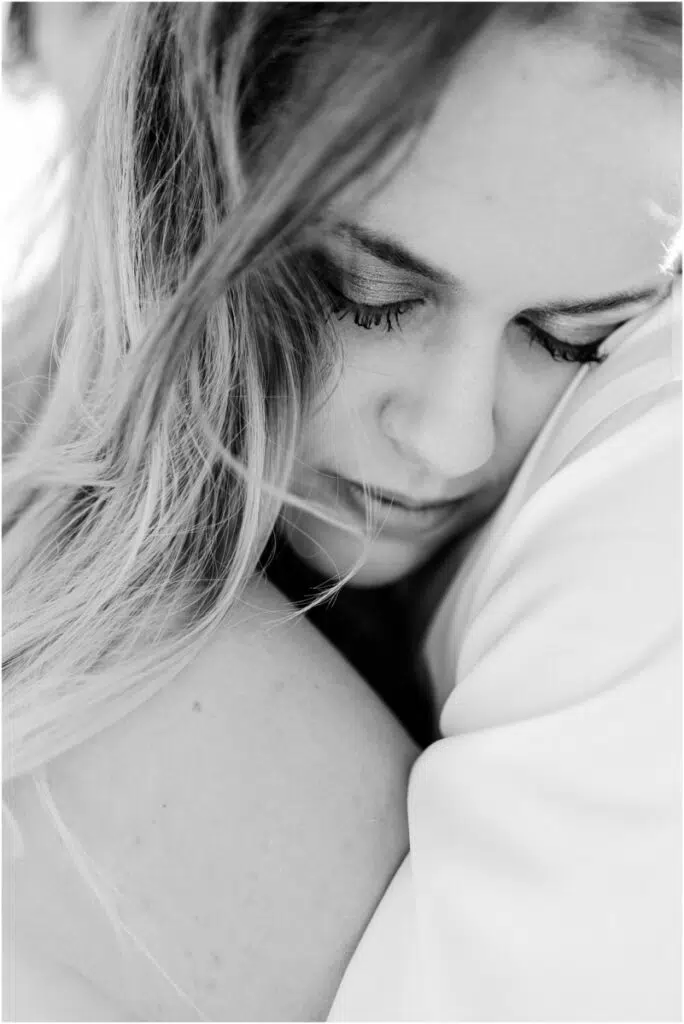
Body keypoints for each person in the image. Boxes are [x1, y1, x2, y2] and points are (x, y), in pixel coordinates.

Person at [2, 2, 680, 1020]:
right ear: (174, 178)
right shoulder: (126, 694)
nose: (453, 440)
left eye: (571, 339)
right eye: (369, 296)